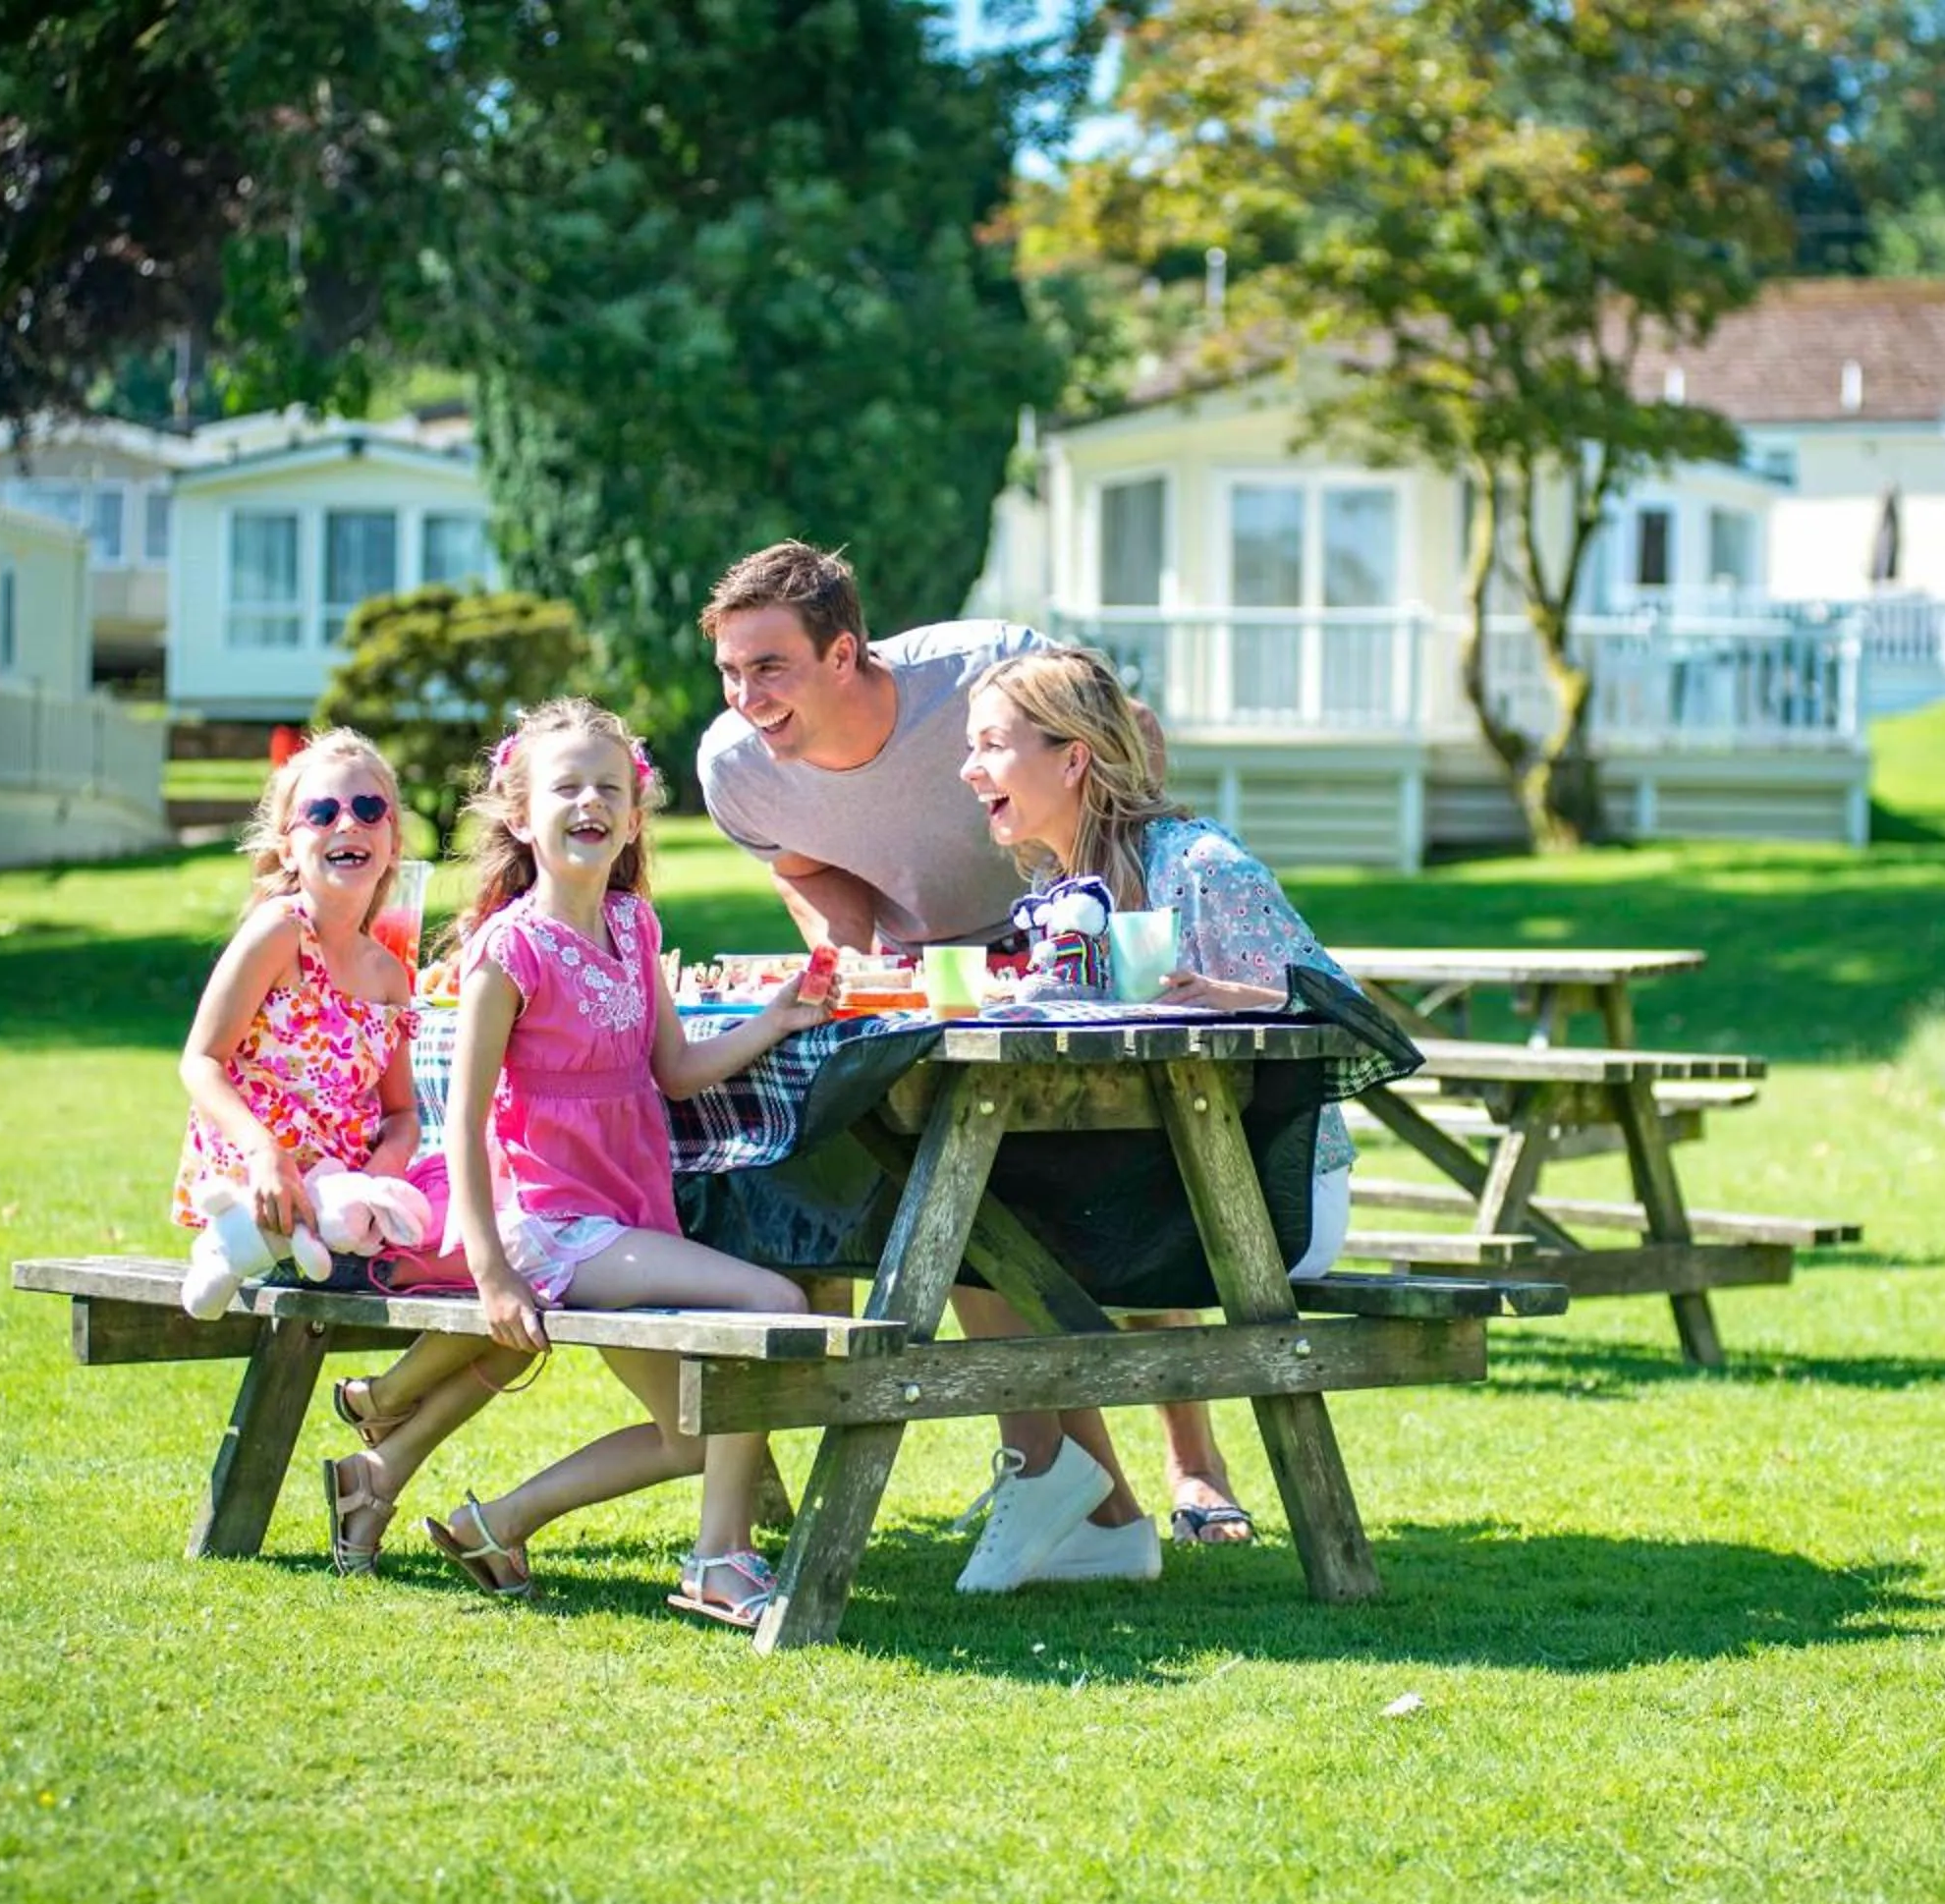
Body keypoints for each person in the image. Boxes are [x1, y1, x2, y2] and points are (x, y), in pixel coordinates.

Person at [694, 542, 1208, 1589]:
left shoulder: (986, 667)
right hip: (944, 991)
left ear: (845, 653)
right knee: (942, 1191)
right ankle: (1080, 1492)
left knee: (1124, 1198)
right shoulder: (733, 769)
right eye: (730, 673)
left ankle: (1191, 1469)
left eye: (770, 668)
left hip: (1072, 958)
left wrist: (1094, 897)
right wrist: (855, 956)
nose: (745, 698)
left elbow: (1127, 739)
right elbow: (807, 863)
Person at [413, 698, 832, 1629]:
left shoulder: (634, 928)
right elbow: (464, 1123)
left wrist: (774, 1019)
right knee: (776, 1303)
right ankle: (722, 1562)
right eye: (567, 787)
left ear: (635, 818)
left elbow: (676, 1074)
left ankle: (496, 1524)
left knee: (692, 1433)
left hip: (628, 1215)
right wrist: (490, 1270)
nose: (590, 803)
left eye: (611, 788)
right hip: (552, 1227)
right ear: (520, 815)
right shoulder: (507, 951)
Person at [961, 647, 1361, 1535]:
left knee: (978, 1223)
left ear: (1072, 759)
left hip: (1274, 1198)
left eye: (991, 744)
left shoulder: (1202, 864)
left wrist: (1241, 998)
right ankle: (1089, 1512)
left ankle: (1079, 1509)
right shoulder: (1058, 887)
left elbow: (1356, 1015)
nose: (968, 768)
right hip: (1165, 1180)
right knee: (960, 1215)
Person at [171, 730, 519, 1577]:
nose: (345, 823)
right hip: (255, 1193)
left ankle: (382, 1414)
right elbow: (201, 1061)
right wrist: (262, 1154)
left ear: (394, 839)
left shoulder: (391, 973)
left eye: (368, 808)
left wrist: (379, 1183)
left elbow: (401, 1116)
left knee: (511, 1261)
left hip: (345, 1207)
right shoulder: (275, 935)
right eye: (320, 810)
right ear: (287, 842)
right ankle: (380, 1429)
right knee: (501, 1285)